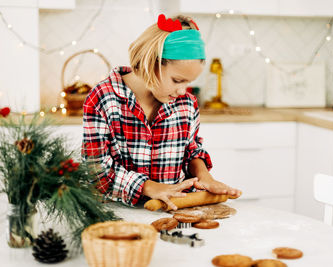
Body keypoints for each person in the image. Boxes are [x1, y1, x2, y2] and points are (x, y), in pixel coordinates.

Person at [82, 14, 241, 210]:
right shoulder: (102, 98)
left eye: (188, 82)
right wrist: (150, 187)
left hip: (173, 211)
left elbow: (190, 151)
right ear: (152, 63)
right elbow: (95, 169)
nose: (183, 91)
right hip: (117, 213)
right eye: (177, 80)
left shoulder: (186, 103)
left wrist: (204, 177)